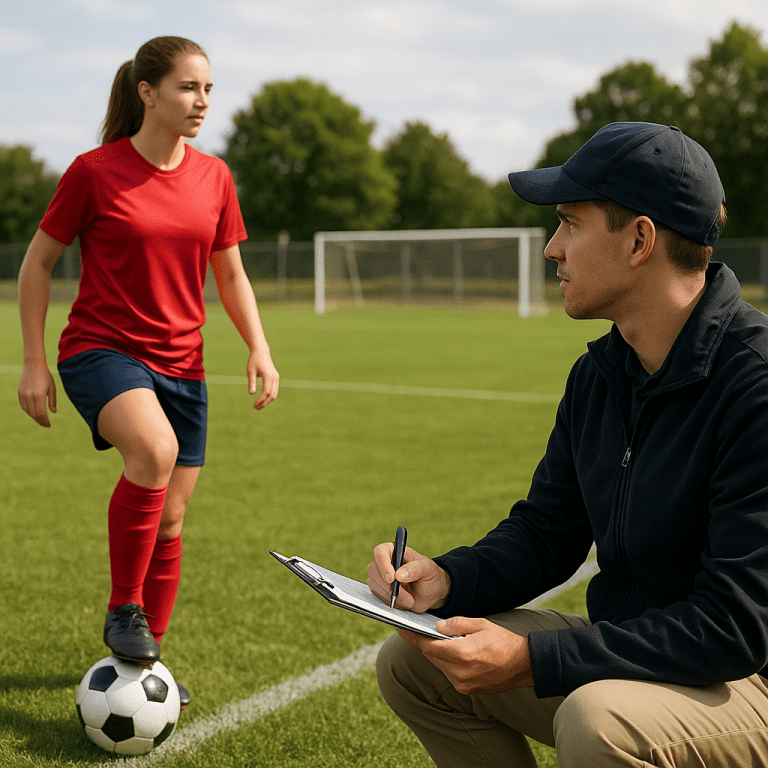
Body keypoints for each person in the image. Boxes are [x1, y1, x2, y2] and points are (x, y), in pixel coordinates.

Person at [367, 122, 768, 766]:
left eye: (570, 224)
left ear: (640, 239)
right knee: (415, 662)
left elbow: (735, 626)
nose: (553, 249)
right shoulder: (602, 373)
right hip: (641, 657)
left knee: (598, 721)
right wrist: (444, 579)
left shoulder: (756, 383)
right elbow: (548, 532)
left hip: (745, 684)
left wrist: (533, 658)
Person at [17, 36, 279, 708]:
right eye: (190, 88)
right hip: (100, 351)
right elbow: (38, 263)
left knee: (171, 519)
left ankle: (144, 663)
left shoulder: (215, 177)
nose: (203, 102)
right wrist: (33, 361)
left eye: (209, 90)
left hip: (183, 364)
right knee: (154, 452)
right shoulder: (92, 172)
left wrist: (259, 346)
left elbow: (230, 273)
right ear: (147, 92)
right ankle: (123, 608)